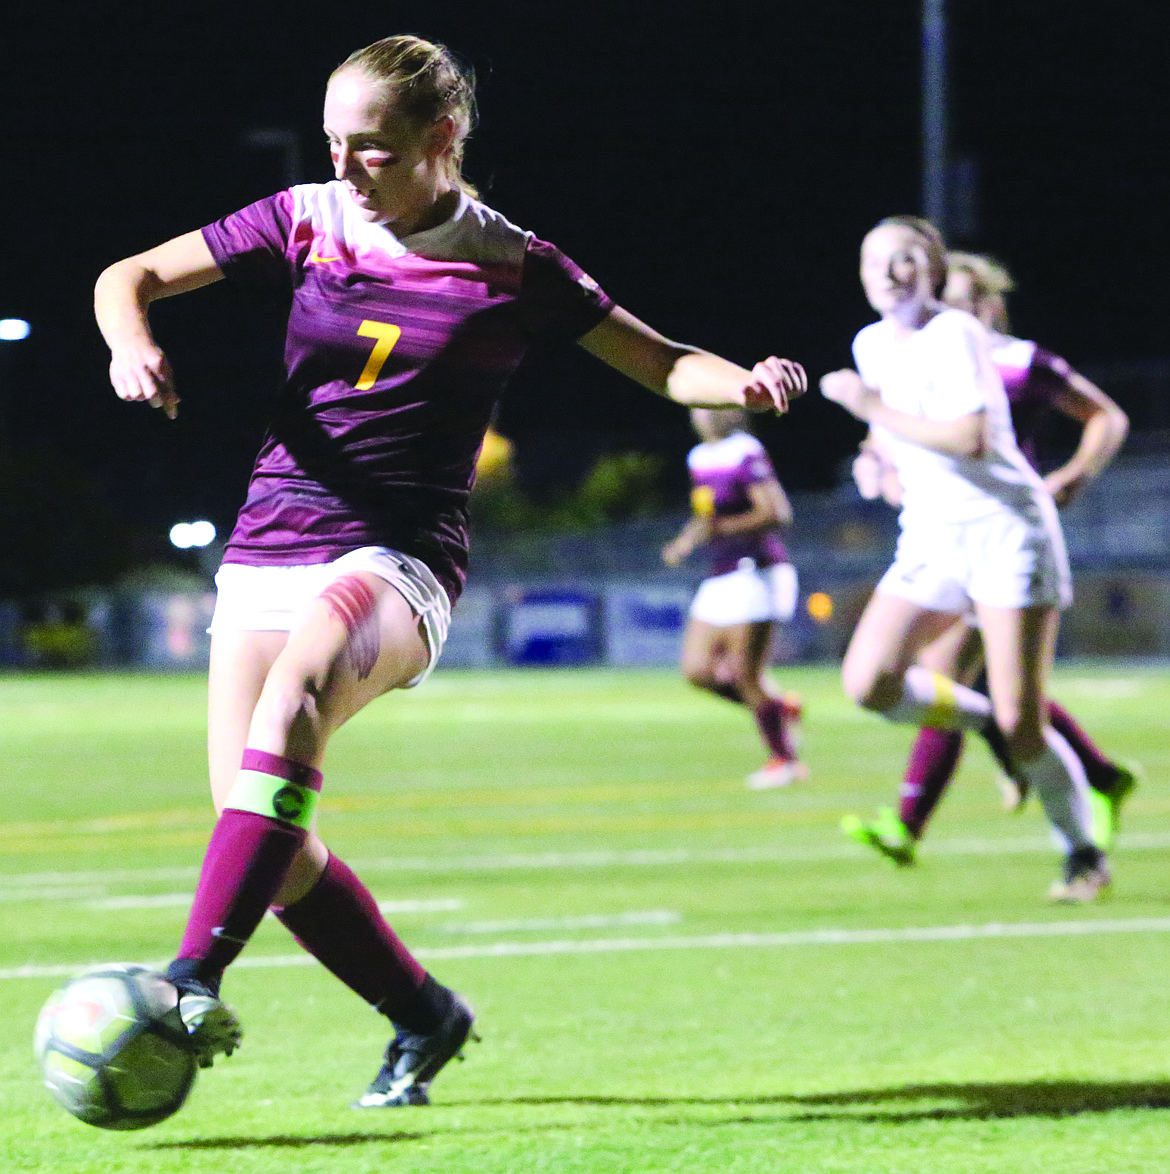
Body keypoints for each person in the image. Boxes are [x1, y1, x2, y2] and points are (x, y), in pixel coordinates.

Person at [93, 35, 806, 1107]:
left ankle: (192, 976)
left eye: (370, 149)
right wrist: (128, 341)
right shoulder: (304, 216)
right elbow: (127, 275)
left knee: (294, 702)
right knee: (267, 838)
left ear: (443, 138)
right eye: (333, 141)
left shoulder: (514, 265)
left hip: (400, 556)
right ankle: (423, 1015)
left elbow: (659, 362)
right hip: (266, 545)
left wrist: (743, 383)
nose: (343, 167)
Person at [820, 216, 1107, 903]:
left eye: (907, 259)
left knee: (1025, 722)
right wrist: (874, 461)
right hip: (933, 535)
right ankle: (987, 720)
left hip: (1007, 530)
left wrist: (869, 410)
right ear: (860, 277)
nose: (890, 272)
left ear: (935, 270)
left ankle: (1082, 854)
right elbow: (897, 438)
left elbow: (972, 436)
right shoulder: (869, 344)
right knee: (870, 684)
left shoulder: (957, 332)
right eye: (876, 262)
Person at [662, 408, 805, 788]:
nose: (701, 414)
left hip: (756, 571)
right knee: (697, 671)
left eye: (709, 405)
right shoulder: (699, 457)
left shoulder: (745, 450)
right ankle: (779, 709)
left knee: (745, 674)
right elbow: (706, 515)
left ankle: (785, 760)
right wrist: (685, 542)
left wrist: (721, 528)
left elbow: (776, 512)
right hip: (721, 573)